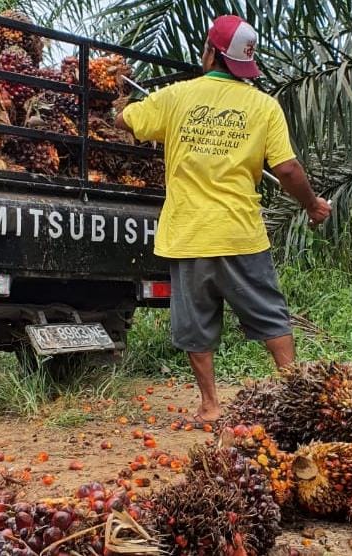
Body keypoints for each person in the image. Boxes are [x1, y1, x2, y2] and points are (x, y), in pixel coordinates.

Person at [115, 14, 331, 425]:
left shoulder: (176, 96)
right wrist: (312, 205)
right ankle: (295, 392)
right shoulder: (263, 106)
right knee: (270, 315)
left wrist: (120, 107)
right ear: (244, 63)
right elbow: (286, 169)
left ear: (210, 52)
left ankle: (211, 405)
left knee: (196, 326)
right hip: (241, 234)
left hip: (189, 235)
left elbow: (128, 121)